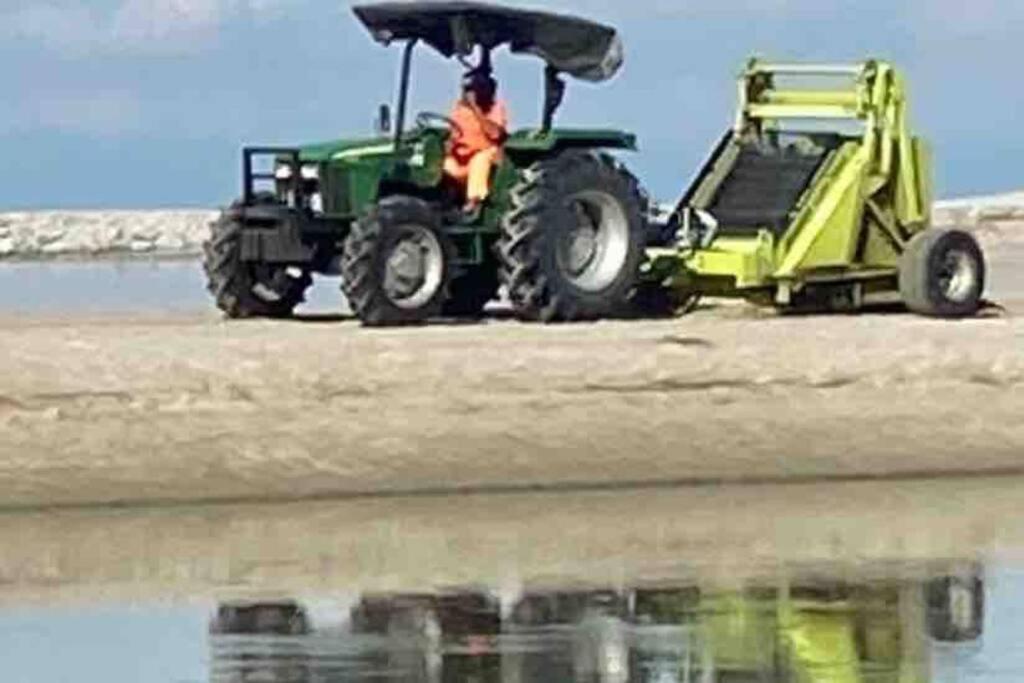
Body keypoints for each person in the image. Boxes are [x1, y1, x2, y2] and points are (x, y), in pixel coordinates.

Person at [443, 69, 509, 221]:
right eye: (465, 90)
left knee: (480, 160)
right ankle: (445, 203)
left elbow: (495, 134)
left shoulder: (495, 108)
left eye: (470, 90)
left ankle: (473, 203)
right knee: (441, 163)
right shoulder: (459, 109)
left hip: (486, 154)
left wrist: (476, 109)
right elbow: (454, 132)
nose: (466, 94)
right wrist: (448, 146)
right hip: (461, 158)